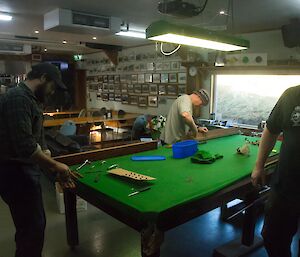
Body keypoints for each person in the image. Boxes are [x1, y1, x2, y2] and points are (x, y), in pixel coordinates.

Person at [0, 63, 75, 257]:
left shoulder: (30, 100)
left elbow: (38, 138)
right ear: (43, 78)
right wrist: (56, 165)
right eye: (52, 86)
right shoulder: (17, 98)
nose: (51, 93)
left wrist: (51, 165)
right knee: (31, 230)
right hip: (15, 173)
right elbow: (25, 145)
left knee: (34, 227)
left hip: (24, 172)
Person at [251, 86, 300, 257]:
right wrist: (259, 166)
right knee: (272, 237)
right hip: (285, 184)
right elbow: (271, 130)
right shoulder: (292, 95)